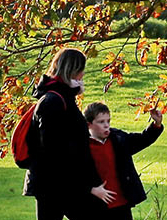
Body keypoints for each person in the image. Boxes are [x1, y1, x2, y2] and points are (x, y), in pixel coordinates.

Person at [24, 48, 106, 220]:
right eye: (82, 70)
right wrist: (88, 186)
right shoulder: (54, 101)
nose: (83, 75)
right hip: (56, 184)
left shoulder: (61, 97)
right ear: (75, 71)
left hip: (58, 182)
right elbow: (56, 149)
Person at [81, 102, 165, 220]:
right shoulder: (80, 146)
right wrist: (92, 189)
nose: (106, 125)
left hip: (122, 204)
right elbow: (73, 175)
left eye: (108, 121)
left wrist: (157, 124)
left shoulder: (118, 138)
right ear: (89, 125)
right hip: (95, 207)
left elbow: (141, 140)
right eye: (101, 122)